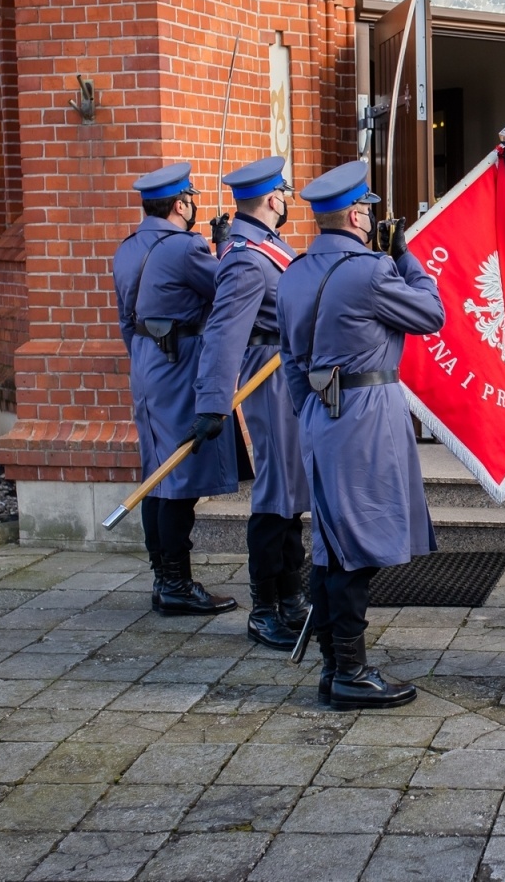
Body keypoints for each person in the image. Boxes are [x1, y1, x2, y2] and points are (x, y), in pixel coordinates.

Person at [277, 160, 445, 709]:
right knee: (356, 544)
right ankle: (349, 671)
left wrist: (309, 412)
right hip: (367, 412)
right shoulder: (372, 269)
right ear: (355, 214)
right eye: (369, 211)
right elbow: (431, 313)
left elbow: (291, 358)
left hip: (322, 412)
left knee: (334, 540)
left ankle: (335, 665)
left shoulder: (295, 271)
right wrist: (405, 256)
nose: (373, 220)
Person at [113, 163, 238, 617]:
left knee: (156, 475)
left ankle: (164, 577)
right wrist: (224, 247)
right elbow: (227, 289)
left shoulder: (127, 248)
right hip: (179, 363)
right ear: (182, 204)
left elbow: (126, 320)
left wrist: (146, 356)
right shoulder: (186, 247)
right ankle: (176, 585)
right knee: (177, 475)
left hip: (147, 364)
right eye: (191, 199)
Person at [194, 157, 308, 649]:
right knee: (277, 494)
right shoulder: (246, 256)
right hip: (271, 376)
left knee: (294, 492)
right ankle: (265, 609)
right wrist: (213, 402)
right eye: (284, 194)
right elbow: (224, 333)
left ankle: (291, 595)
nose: (287, 201)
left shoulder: (264, 246)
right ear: (272, 199)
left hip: (291, 372)